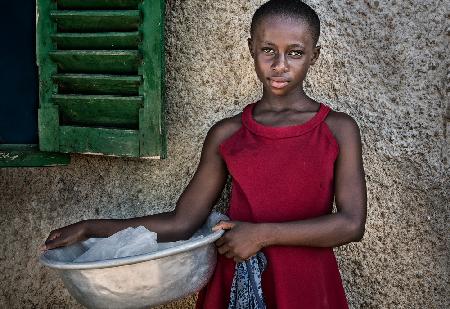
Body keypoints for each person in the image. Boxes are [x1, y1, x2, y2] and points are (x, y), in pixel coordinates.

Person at [42, 0, 367, 308]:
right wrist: (90, 228)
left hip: (307, 285)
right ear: (251, 48)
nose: (280, 65)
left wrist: (261, 234)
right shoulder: (228, 134)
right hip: (237, 280)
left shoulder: (338, 130)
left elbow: (352, 224)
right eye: (268, 50)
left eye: (295, 53)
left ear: (315, 55)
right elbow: (182, 223)